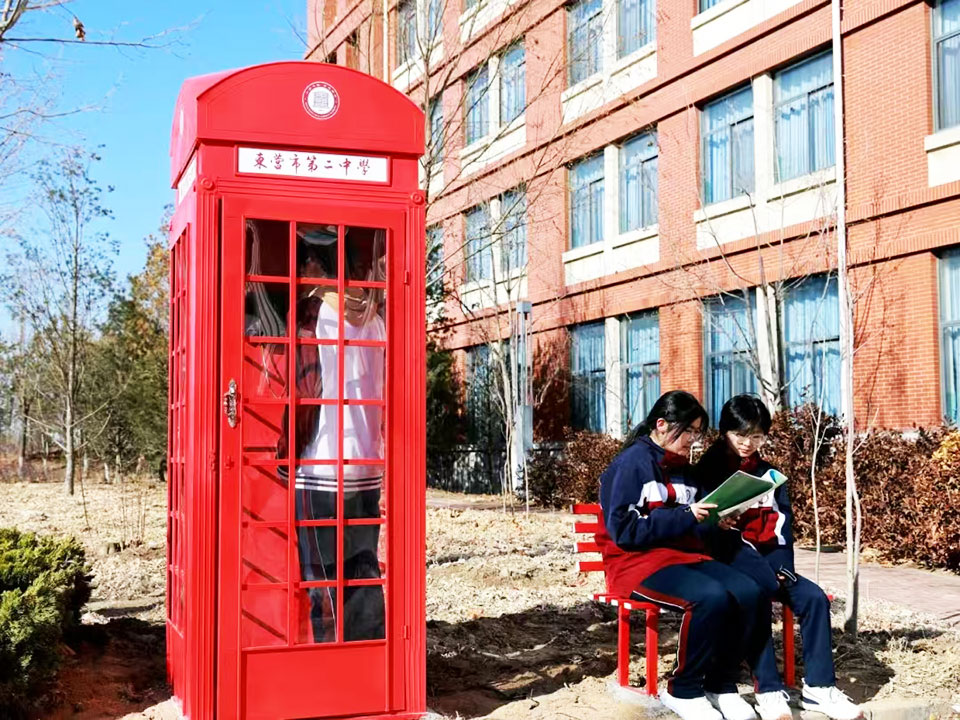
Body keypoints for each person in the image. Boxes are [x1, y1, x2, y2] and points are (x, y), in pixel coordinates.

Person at [596, 390, 773, 720]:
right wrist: (686, 516)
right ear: (661, 424)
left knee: (749, 590)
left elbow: (695, 520)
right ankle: (684, 689)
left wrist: (717, 520)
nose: (694, 439)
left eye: (698, 432)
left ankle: (721, 684)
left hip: (683, 558)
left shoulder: (685, 469)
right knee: (710, 597)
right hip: (636, 564)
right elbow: (624, 531)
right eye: (689, 430)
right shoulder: (630, 464)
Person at [695, 395, 862, 720]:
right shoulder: (705, 472)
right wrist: (719, 525)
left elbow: (783, 529)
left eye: (757, 436)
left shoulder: (770, 476)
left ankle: (820, 688)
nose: (748, 443)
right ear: (724, 431)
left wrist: (782, 568)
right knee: (756, 594)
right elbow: (699, 531)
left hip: (772, 564)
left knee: (814, 598)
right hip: (727, 563)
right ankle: (769, 690)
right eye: (740, 435)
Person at [273, 224, 387, 644]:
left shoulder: (311, 314)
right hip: (367, 466)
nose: (301, 270)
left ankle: (329, 661)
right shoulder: (376, 318)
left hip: (321, 466)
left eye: (305, 259)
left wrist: (285, 456)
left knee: (321, 580)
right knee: (363, 573)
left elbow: (303, 394)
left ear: (319, 264)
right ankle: (370, 656)